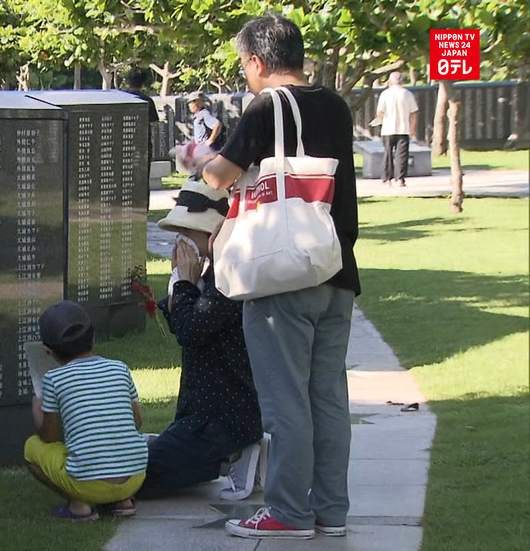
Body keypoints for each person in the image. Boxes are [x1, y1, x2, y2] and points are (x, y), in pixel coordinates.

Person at [202, 14, 360, 540]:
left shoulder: (266, 105)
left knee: (285, 402)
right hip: (335, 267)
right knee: (328, 399)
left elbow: (217, 175)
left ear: (256, 61)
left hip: (280, 272)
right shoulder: (334, 103)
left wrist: (201, 156)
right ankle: (330, 510)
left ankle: (288, 512)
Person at [135, 179, 264, 500]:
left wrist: (184, 286)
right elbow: (185, 327)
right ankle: (222, 461)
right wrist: (179, 285)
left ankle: (230, 453)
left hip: (219, 419)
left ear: (212, 235)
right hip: (203, 415)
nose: (180, 243)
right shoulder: (212, 274)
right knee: (140, 467)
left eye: (187, 234)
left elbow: (191, 330)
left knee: (125, 476)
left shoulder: (228, 277)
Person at [24, 301, 148, 521]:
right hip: (135, 478)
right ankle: (123, 501)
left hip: (89, 485)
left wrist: (37, 409)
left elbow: (50, 437)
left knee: (32, 448)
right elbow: (137, 422)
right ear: (93, 338)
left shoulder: (54, 379)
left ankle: (78, 505)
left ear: (48, 352)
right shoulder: (120, 368)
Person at [375, 71, 418, 187]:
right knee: (402, 154)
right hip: (403, 128)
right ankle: (400, 179)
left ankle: (386, 178)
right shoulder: (407, 94)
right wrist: (413, 127)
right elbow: (413, 112)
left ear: (390, 82)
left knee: (388, 153)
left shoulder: (385, 94)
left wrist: (379, 121)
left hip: (388, 128)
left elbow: (380, 111)